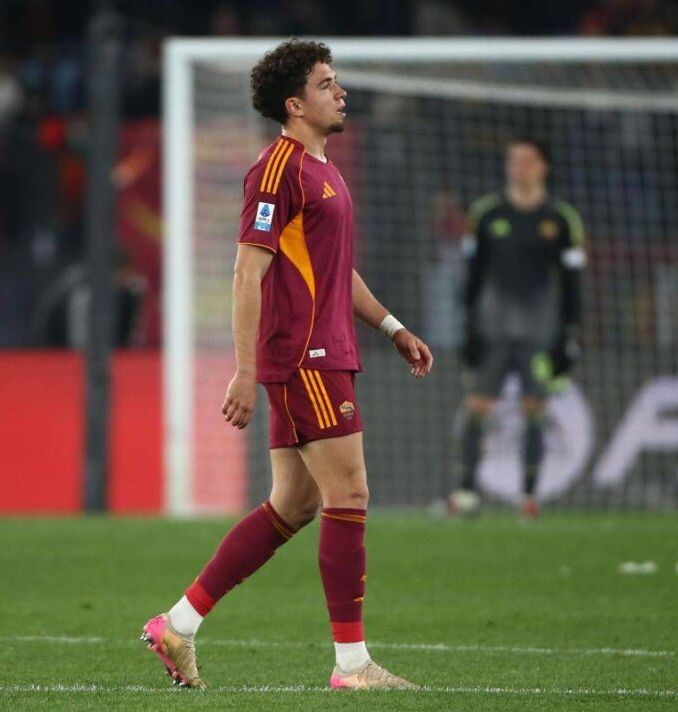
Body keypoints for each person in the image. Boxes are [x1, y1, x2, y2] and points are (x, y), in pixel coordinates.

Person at [141, 39, 433, 690]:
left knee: (294, 504)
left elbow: (335, 271)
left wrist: (391, 327)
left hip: (325, 350)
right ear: (295, 105)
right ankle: (352, 665)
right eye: (327, 84)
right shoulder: (276, 170)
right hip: (305, 355)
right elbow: (248, 270)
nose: (341, 92)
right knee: (349, 494)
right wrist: (245, 371)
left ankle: (178, 624)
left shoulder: (323, 169)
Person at [446, 137, 586, 519]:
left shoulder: (561, 220)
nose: (519, 168)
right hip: (491, 331)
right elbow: (471, 278)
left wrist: (569, 335)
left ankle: (529, 496)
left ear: (543, 167)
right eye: (514, 160)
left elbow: (572, 283)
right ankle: (466, 492)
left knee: (534, 408)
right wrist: (468, 328)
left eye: (527, 161)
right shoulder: (486, 215)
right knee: (477, 405)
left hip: (541, 333)